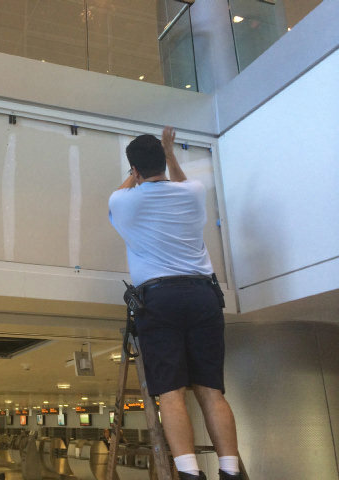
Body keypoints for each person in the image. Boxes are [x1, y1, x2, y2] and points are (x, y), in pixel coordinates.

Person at [108, 127, 241, 480]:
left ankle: (189, 472)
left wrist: (133, 175)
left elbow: (119, 196)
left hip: (159, 298)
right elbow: (182, 184)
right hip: (203, 296)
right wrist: (170, 153)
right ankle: (229, 469)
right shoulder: (193, 191)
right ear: (163, 162)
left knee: (170, 392)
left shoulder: (124, 200)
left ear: (134, 170)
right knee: (212, 391)